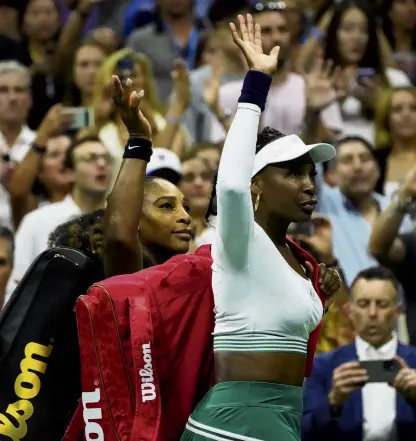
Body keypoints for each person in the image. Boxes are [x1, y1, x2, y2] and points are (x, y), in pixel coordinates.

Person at [181, 14, 341, 441]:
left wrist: (319, 291)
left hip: (280, 418)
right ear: (257, 184)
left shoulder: (298, 259)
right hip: (237, 422)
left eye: (312, 174)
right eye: (292, 174)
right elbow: (229, 183)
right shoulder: (239, 241)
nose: (309, 185)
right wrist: (256, 84)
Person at [303, 266, 416, 441]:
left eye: (382, 304)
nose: (372, 313)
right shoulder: (322, 367)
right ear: (349, 310)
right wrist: (332, 403)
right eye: (363, 304)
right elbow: (303, 433)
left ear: (398, 310)